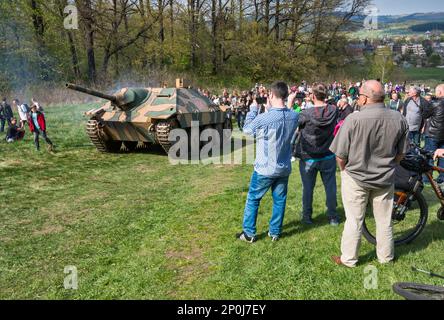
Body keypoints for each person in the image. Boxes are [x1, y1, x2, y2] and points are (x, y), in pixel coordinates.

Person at [330, 80, 409, 268]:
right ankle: (386, 257)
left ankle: (349, 258)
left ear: (365, 99)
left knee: (354, 220)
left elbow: (340, 155)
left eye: (359, 95)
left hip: (355, 177)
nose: (357, 99)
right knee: (384, 221)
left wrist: (344, 170)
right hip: (384, 177)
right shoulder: (399, 118)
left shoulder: (353, 119)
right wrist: (387, 166)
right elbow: (401, 154)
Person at [237, 81, 298, 243]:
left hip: (265, 168)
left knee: (253, 198)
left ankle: (249, 233)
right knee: (279, 200)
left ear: (271, 95)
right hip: (283, 166)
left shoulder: (264, 118)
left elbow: (247, 130)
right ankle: (275, 232)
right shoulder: (294, 116)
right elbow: (285, 116)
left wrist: (252, 110)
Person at [290, 83, 339, 226]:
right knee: (330, 187)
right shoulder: (333, 110)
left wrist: (291, 103)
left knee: (308, 188)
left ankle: (307, 216)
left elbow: (291, 122)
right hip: (327, 155)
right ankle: (332, 216)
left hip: (310, 156)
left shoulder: (306, 114)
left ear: (312, 96)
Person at [422, 84, 444, 184]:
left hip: (433, 134)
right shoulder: (436, 103)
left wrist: (430, 103)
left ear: (439, 92)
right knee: (442, 157)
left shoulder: (435, 103)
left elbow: (425, 114)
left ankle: (427, 178)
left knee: (429, 156)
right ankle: (441, 177)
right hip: (442, 134)